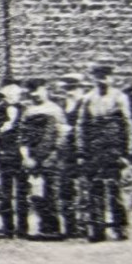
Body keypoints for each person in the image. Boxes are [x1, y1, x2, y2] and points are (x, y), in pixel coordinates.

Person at [77, 62, 132, 242]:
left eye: (106, 77)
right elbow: (81, 126)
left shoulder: (120, 98)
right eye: (98, 77)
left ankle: (120, 227)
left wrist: (127, 152)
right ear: (94, 79)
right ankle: (97, 229)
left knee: (115, 189)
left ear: (111, 78)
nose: (102, 80)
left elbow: (128, 125)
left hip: (113, 150)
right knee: (95, 190)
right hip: (94, 151)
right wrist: (81, 151)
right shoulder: (88, 99)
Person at [20, 77, 68, 236]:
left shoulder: (55, 110)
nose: (35, 95)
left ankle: (54, 229)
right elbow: (23, 137)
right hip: (33, 160)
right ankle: (43, 227)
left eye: (38, 91)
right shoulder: (28, 112)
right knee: (36, 194)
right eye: (31, 92)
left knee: (52, 193)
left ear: (45, 90)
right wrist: (26, 157)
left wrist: (53, 155)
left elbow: (62, 136)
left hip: (51, 159)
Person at [0, 79, 29, 237]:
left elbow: (29, 132)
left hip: (21, 156)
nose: (13, 96)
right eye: (9, 94)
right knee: (5, 193)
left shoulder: (26, 110)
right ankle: (8, 228)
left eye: (16, 93)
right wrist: (1, 129)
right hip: (4, 155)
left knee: (22, 193)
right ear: (4, 95)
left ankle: (22, 228)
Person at [56, 73, 88, 237]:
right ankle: (70, 226)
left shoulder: (86, 105)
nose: (70, 92)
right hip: (65, 154)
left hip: (82, 153)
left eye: (73, 88)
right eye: (67, 89)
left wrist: (73, 131)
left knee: (83, 189)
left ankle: (83, 225)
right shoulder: (61, 106)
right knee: (65, 189)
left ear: (81, 89)